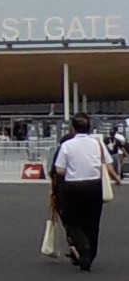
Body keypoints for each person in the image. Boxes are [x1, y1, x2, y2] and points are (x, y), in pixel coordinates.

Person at [52, 114, 115, 271]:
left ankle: (82, 245)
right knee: (93, 222)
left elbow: (59, 170)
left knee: (73, 221)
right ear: (90, 127)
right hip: (94, 185)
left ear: (73, 128)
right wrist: (117, 178)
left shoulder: (67, 145)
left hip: (73, 186)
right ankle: (90, 255)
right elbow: (108, 163)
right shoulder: (98, 144)